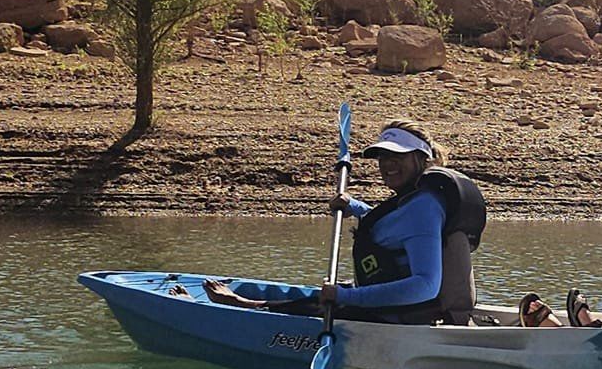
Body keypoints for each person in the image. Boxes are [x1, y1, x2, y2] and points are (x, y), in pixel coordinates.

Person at [203, 117, 487, 325]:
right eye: (383, 156)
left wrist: (345, 298)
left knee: (320, 302)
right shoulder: (421, 201)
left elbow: (425, 285)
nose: (387, 164)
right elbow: (397, 229)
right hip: (412, 312)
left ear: (420, 158)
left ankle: (246, 306)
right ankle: (254, 304)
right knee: (325, 294)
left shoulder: (422, 207)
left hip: (401, 318)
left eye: (398, 155)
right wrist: (357, 208)